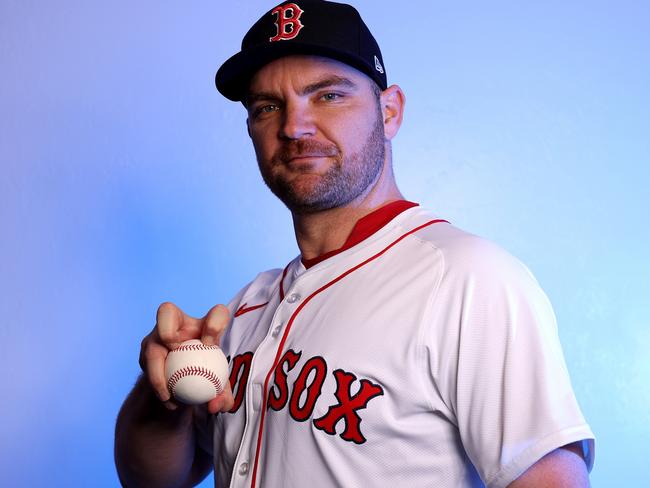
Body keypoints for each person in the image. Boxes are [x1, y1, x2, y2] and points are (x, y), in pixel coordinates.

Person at [114, 1, 595, 487]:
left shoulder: (469, 280)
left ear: (389, 112)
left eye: (327, 96)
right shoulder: (247, 309)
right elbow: (153, 479)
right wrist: (162, 397)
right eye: (267, 106)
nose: (294, 127)